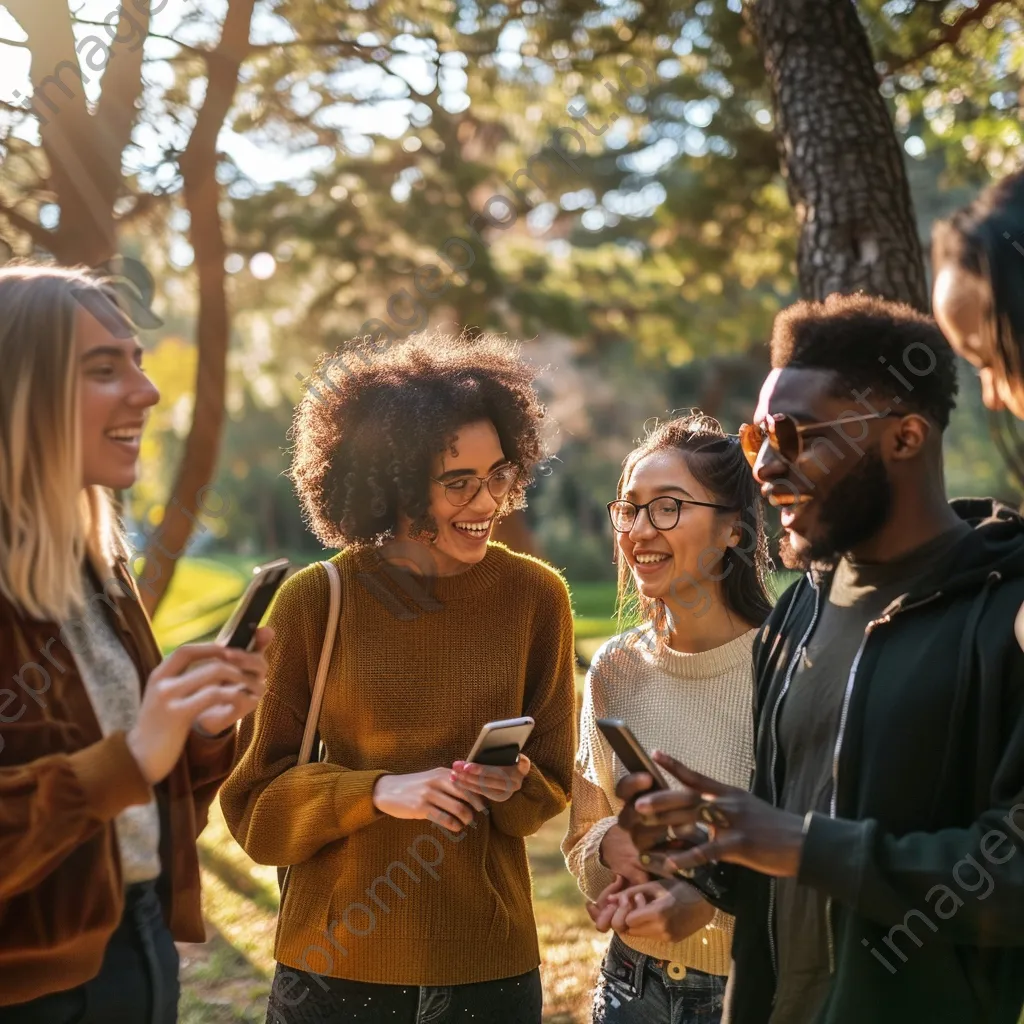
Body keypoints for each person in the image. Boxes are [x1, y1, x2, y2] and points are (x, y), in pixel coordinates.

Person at [614, 294, 1024, 1024]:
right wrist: (707, 860)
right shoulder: (801, 608)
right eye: (756, 437)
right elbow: (784, 865)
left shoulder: (1003, 612)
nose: (766, 466)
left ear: (903, 438)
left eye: (795, 435)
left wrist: (803, 845)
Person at [220, 330, 578, 1024]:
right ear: (393, 481)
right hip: (335, 970)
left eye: (500, 473)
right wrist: (380, 792)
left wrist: (513, 784)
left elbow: (552, 783)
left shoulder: (537, 597)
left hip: (489, 967)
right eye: (458, 482)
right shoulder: (318, 599)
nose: (488, 503)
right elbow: (256, 809)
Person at [0, 264, 271, 1023]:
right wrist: (133, 756)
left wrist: (204, 731)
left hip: (138, 947)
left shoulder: (99, 571)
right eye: (102, 368)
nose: (147, 393)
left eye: (139, 363)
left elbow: (145, 799)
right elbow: (122, 771)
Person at [563, 412, 773, 1024]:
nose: (638, 531)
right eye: (629, 509)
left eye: (668, 507)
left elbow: (814, 852)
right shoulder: (614, 669)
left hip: (752, 991)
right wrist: (616, 853)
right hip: (633, 986)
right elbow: (584, 834)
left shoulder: (787, 669)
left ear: (734, 528)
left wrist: (705, 900)